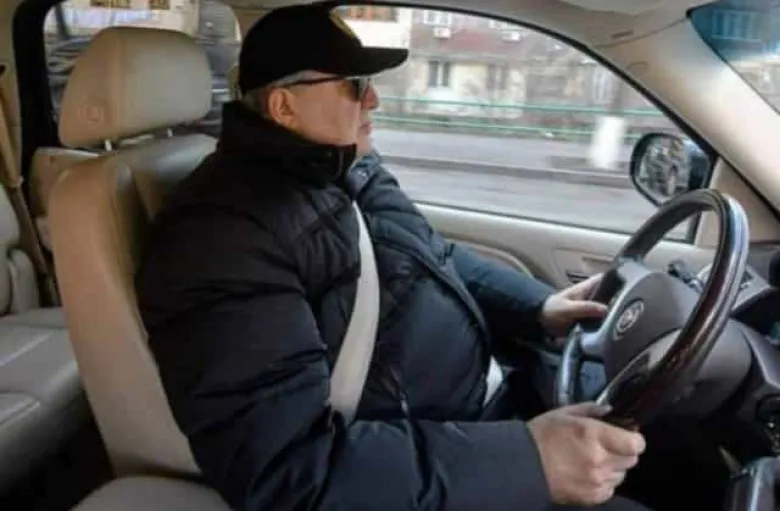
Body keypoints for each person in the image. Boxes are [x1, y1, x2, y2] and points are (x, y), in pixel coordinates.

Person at [136, 5, 691, 511]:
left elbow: (432, 254)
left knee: (684, 436)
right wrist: (528, 462)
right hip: (426, 461)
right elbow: (289, 469)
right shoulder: (218, 237)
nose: (374, 100)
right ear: (284, 106)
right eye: (355, 86)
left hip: (490, 406)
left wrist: (539, 308)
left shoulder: (346, 166)